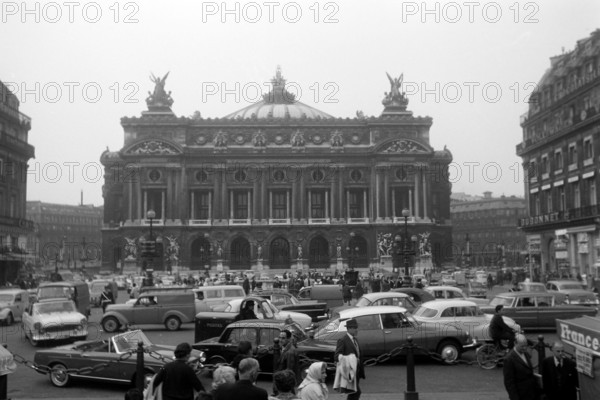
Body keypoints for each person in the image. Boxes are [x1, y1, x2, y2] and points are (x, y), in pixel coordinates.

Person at [503, 334, 540, 400]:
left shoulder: (525, 353)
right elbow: (509, 382)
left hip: (532, 392)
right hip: (521, 394)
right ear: (515, 343)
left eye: (526, 346)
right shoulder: (509, 359)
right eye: (522, 346)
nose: (525, 348)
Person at [334, 319, 364, 400]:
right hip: (349, 372)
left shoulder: (355, 340)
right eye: (355, 328)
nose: (357, 330)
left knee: (353, 393)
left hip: (356, 372)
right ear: (349, 329)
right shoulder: (343, 340)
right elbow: (337, 356)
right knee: (356, 392)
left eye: (357, 327)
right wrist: (351, 359)